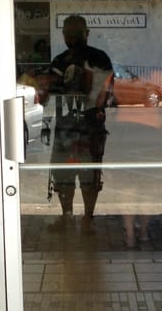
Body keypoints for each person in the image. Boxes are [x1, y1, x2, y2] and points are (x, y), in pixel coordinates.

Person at [48, 15, 113, 231]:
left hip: (66, 125)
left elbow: (51, 91)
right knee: (90, 173)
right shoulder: (101, 58)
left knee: (63, 173)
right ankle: (87, 218)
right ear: (87, 34)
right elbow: (107, 92)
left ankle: (67, 215)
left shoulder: (60, 61)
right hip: (92, 124)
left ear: (66, 36)